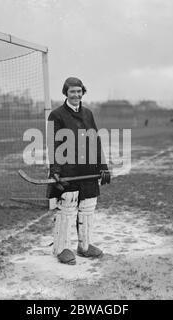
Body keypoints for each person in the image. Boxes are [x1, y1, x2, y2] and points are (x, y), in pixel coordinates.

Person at [47, 77, 111, 265]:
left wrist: (103, 166)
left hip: (88, 169)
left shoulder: (88, 113)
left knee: (88, 207)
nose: (76, 95)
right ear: (65, 93)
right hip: (68, 169)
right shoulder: (56, 115)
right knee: (67, 209)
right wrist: (55, 169)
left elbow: (95, 140)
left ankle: (84, 246)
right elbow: (54, 143)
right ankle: (61, 248)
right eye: (72, 91)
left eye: (79, 91)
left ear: (83, 92)